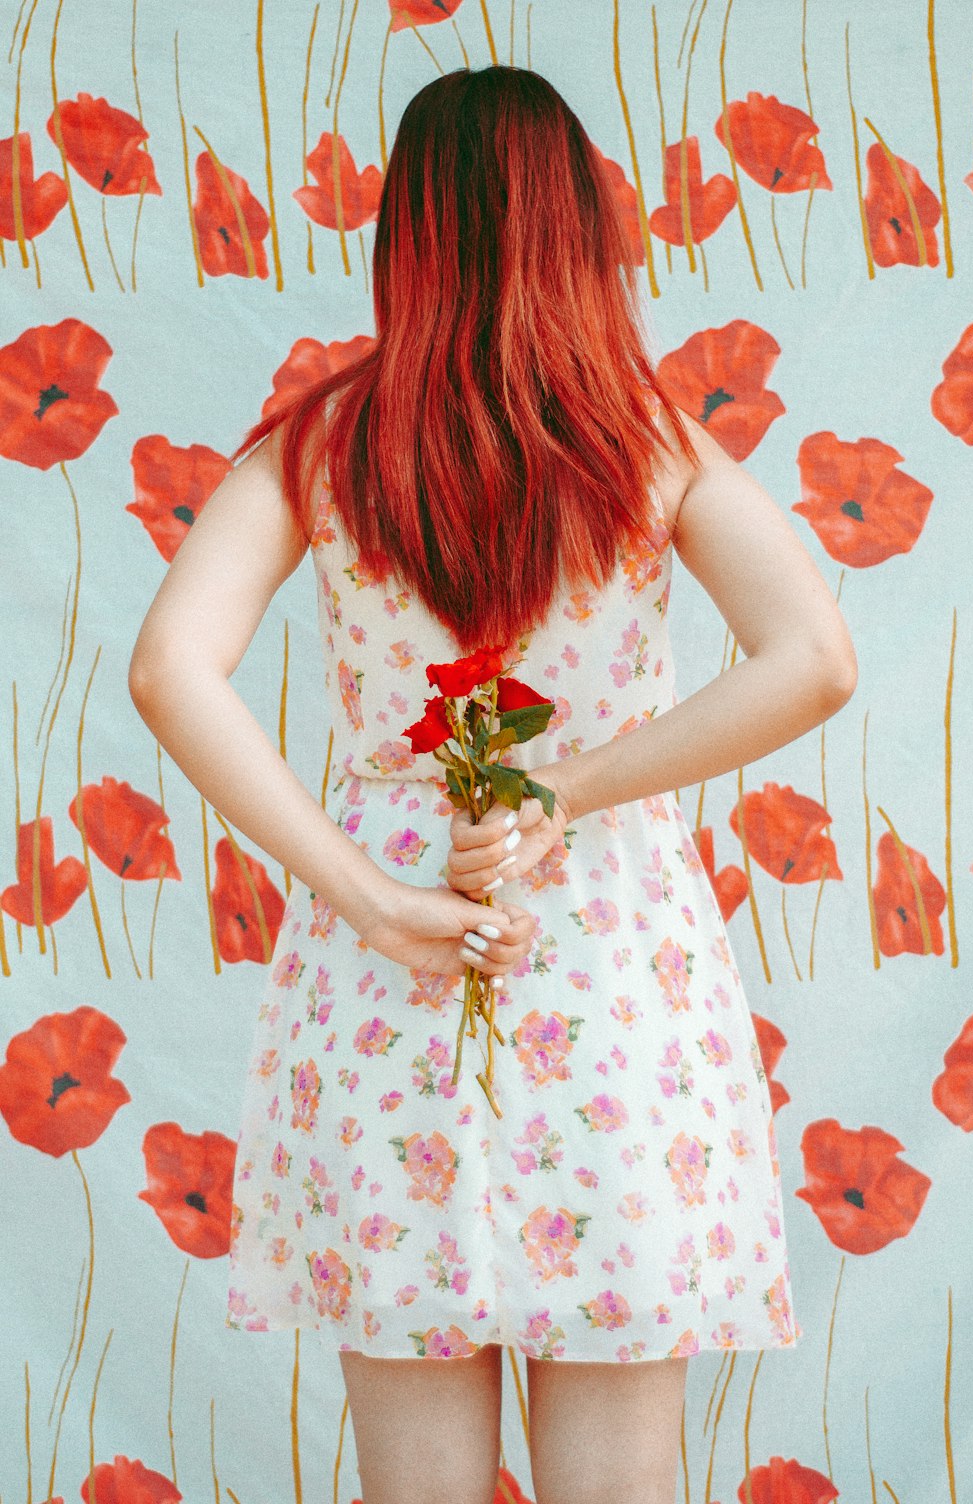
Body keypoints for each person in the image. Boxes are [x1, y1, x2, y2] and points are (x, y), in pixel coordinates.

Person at [128, 62, 856, 1504]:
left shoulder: (322, 445)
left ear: (407, 240)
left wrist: (372, 901)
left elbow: (170, 669)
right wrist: (570, 790)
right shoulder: (648, 443)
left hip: (389, 966)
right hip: (609, 967)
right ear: (582, 227)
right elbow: (815, 659)